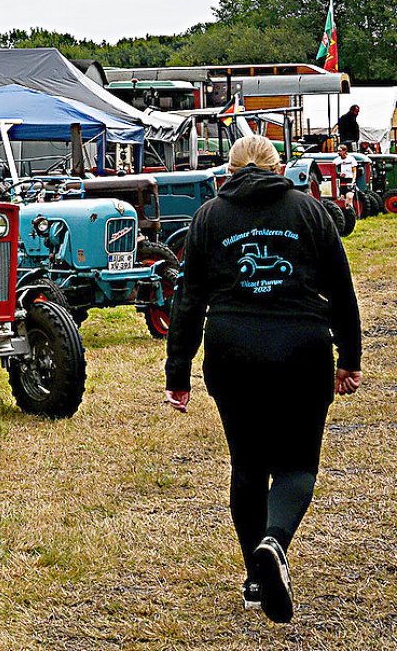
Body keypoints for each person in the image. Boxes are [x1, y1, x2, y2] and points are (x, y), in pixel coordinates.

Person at [165, 134, 362, 625]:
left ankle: (255, 578)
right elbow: (341, 287)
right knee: (296, 464)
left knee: (248, 464)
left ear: (228, 173)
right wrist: (350, 356)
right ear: (280, 170)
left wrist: (178, 372)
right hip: (302, 347)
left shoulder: (209, 216)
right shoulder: (310, 212)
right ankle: (274, 541)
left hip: (233, 350)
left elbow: (188, 300)